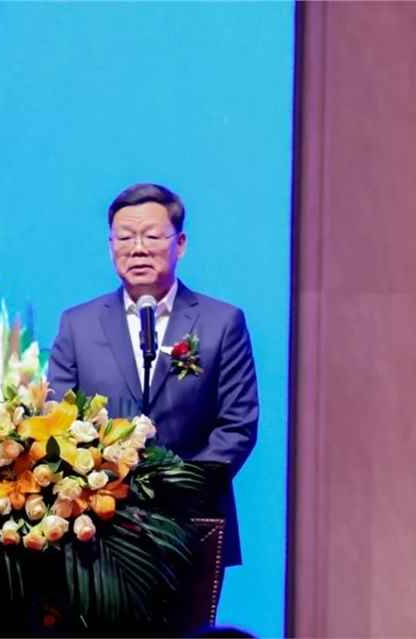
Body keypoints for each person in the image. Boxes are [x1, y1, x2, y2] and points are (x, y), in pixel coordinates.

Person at [47, 183, 259, 566]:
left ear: (180, 244)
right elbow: (57, 421)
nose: (138, 248)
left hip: (191, 526)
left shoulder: (221, 323)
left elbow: (237, 427)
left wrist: (177, 490)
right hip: (96, 530)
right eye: (125, 237)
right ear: (111, 246)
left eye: (152, 236)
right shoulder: (78, 325)